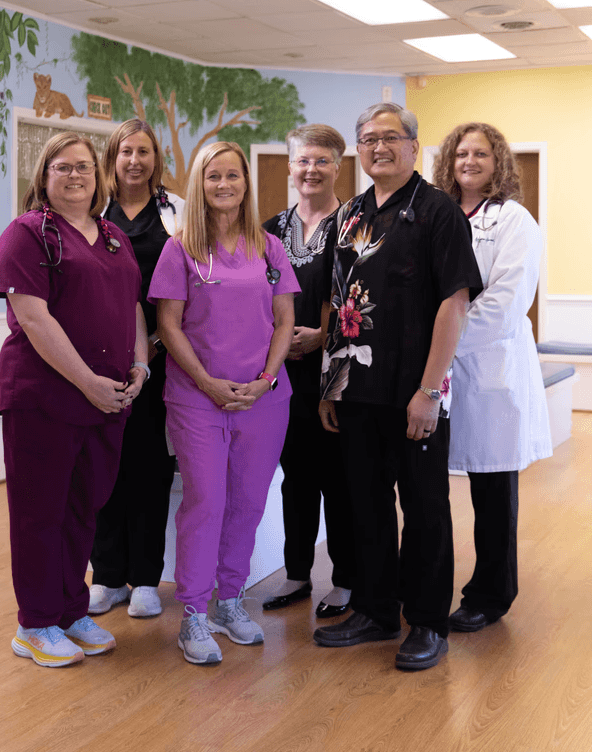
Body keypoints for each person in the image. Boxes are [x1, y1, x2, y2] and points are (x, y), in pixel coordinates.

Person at [313, 103, 482, 671]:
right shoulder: (349, 216)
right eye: (367, 139)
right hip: (357, 391)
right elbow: (337, 304)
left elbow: (454, 304)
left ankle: (429, 621)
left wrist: (429, 392)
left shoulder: (438, 213)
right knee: (366, 505)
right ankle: (377, 609)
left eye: (389, 138)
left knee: (426, 508)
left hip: (417, 394)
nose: (378, 147)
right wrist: (330, 385)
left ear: (413, 146)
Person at [0, 133, 148, 667]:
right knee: (40, 512)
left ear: (98, 175)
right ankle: (35, 622)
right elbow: (34, 318)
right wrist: (87, 382)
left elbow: (133, 306)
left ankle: (70, 610)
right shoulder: (28, 234)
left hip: (106, 398)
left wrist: (141, 364)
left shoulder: (112, 237)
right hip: (45, 396)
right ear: (45, 175)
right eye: (63, 167)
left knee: (83, 509)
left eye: (84, 167)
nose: (76, 175)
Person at [149, 141, 299, 666]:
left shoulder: (269, 247)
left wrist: (266, 377)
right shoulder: (180, 248)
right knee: (206, 500)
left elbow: (284, 321)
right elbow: (168, 325)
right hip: (197, 396)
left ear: (246, 183)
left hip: (263, 397)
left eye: (233, 176)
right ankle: (192, 610)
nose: (224, 185)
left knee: (248, 501)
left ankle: (229, 600)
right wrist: (209, 383)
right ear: (199, 184)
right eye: (214, 176)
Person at [433, 122, 552, 632]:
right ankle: (424, 585)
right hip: (437, 374)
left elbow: (505, 304)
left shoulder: (514, 221)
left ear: (498, 161)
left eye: (481, 153)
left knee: (492, 490)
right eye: (461, 153)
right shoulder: (437, 214)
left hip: (490, 372)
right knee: (427, 489)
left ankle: (491, 594)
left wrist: (438, 346)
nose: (470, 162)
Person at [88, 120, 183, 620]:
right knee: (103, 466)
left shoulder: (176, 215)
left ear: (155, 159)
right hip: (100, 364)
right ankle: (106, 576)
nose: (134, 161)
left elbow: (190, 286)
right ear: (113, 156)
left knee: (149, 468)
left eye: (144, 152)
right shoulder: (90, 212)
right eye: (126, 151)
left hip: (161, 360)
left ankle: (146, 578)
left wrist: (153, 343)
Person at [262, 124, 355, 618]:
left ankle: (345, 580)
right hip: (283, 375)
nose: (311, 169)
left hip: (337, 374)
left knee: (339, 478)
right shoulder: (270, 229)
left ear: (338, 166)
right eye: (303, 160)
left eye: (321, 160)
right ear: (291, 164)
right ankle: (297, 572)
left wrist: (323, 338)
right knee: (295, 477)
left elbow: (363, 297)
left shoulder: (355, 225)